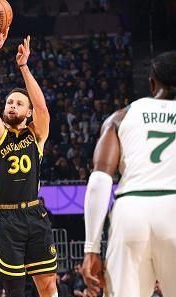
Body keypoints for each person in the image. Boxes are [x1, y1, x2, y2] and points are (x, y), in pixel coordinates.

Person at [82, 51, 176, 297]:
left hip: (131, 209)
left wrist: (91, 248)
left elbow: (100, 180)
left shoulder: (121, 117)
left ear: (152, 83)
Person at [0, 32, 56, 297]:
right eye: (9, 102)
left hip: (34, 213)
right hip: (4, 217)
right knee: (15, 289)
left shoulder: (36, 135)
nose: (12, 105)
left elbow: (42, 108)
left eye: (19, 103)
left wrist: (24, 67)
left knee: (48, 283)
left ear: (27, 112)